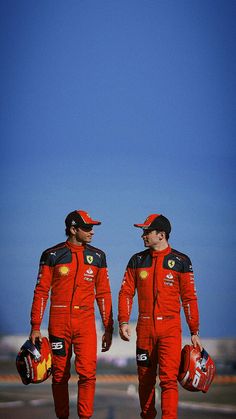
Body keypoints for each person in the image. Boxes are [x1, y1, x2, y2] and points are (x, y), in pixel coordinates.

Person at [30, 209, 113, 419]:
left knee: (88, 375)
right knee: (59, 375)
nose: (92, 231)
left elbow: (103, 294)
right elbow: (41, 291)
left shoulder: (98, 256)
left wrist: (108, 327)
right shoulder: (52, 255)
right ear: (73, 229)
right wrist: (35, 326)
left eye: (92, 227)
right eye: (87, 228)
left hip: (86, 324)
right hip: (59, 323)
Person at [118, 213, 202, 419]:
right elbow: (126, 292)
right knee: (145, 379)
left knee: (168, 380)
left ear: (161, 234)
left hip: (170, 330)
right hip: (145, 329)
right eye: (143, 232)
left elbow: (189, 298)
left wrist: (194, 330)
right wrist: (123, 321)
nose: (143, 236)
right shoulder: (137, 260)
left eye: (147, 232)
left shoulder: (181, 261)